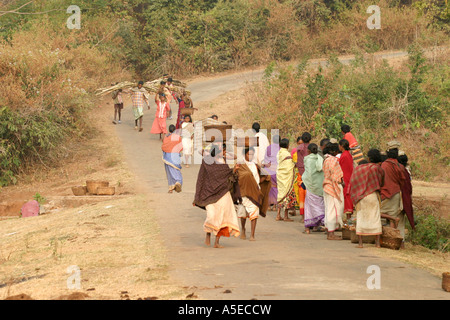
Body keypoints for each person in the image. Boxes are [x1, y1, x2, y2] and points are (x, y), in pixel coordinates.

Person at [193, 144, 241, 248]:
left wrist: (234, 169)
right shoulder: (207, 161)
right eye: (223, 151)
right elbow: (201, 178)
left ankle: (217, 242)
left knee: (223, 217)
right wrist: (198, 195)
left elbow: (227, 174)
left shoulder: (223, 160)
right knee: (211, 216)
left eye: (224, 151)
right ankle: (208, 234)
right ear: (217, 151)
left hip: (223, 193)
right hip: (209, 193)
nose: (224, 152)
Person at [349, 149, 385, 248]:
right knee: (375, 217)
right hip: (373, 195)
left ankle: (360, 243)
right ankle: (377, 243)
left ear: (368, 158)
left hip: (361, 196)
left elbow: (353, 181)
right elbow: (382, 182)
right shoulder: (378, 168)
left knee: (361, 217)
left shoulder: (359, 168)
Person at [236, 147, 271, 241]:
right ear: (245, 155)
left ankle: (252, 234)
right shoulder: (240, 165)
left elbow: (261, 177)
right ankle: (243, 229)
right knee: (243, 213)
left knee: (254, 212)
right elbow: (236, 177)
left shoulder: (255, 165)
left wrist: (264, 180)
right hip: (243, 192)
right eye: (249, 154)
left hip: (255, 191)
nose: (250, 156)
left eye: (252, 154)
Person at [380, 145, 406, 240]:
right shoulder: (400, 166)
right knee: (392, 215)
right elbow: (402, 181)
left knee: (377, 213)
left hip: (385, 192)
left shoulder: (384, 165)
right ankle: (390, 239)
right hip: (396, 193)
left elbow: (381, 179)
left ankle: (379, 237)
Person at [322, 143, 345, 240]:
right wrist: (340, 182)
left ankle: (329, 232)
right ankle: (331, 234)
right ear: (335, 151)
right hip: (332, 186)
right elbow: (334, 174)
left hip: (327, 186)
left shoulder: (326, 159)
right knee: (334, 210)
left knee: (328, 209)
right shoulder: (333, 160)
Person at [302, 143, 325, 234]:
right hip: (319, 186)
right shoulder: (320, 158)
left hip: (310, 185)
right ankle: (317, 225)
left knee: (309, 206)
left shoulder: (307, 159)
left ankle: (308, 228)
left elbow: (308, 173)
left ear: (309, 151)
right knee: (320, 204)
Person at [276, 139, 296, 222]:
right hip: (286, 178)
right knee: (286, 194)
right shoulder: (287, 154)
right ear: (287, 145)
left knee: (281, 194)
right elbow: (289, 166)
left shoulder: (279, 153)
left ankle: (278, 215)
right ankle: (285, 216)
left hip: (280, 176)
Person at [293, 132, 312, 217]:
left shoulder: (299, 148)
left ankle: (302, 216)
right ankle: (310, 214)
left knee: (302, 195)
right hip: (311, 174)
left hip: (301, 174)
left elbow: (298, 162)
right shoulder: (312, 148)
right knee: (311, 194)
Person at [162, 125, 183, 193]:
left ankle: (171, 187)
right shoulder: (178, 137)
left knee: (169, 171)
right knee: (176, 170)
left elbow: (163, 146)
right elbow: (180, 147)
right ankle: (178, 182)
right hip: (175, 155)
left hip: (167, 156)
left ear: (169, 130)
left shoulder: (166, 137)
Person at [263, 135, 281, 211]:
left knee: (269, 188)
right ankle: (275, 206)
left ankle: (268, 206)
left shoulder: (268, 148)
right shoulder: (281, 149)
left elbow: (266, 159)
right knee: (276, 187)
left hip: (269, 170)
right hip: (277, 171)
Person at [398, 153, 415, 232]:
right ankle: (401, 242)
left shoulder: (399, 171)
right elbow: (409, 188)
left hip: (398, 200)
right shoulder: (406, 172)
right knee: (401, 222)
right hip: (406, 199)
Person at [339, 139, 354, 222]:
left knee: (346, 196)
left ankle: (347, 218)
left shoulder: (344, 155)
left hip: (345, 177)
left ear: (341, 146)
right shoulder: (348, 154)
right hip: (348, 176)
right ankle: (348, 218)